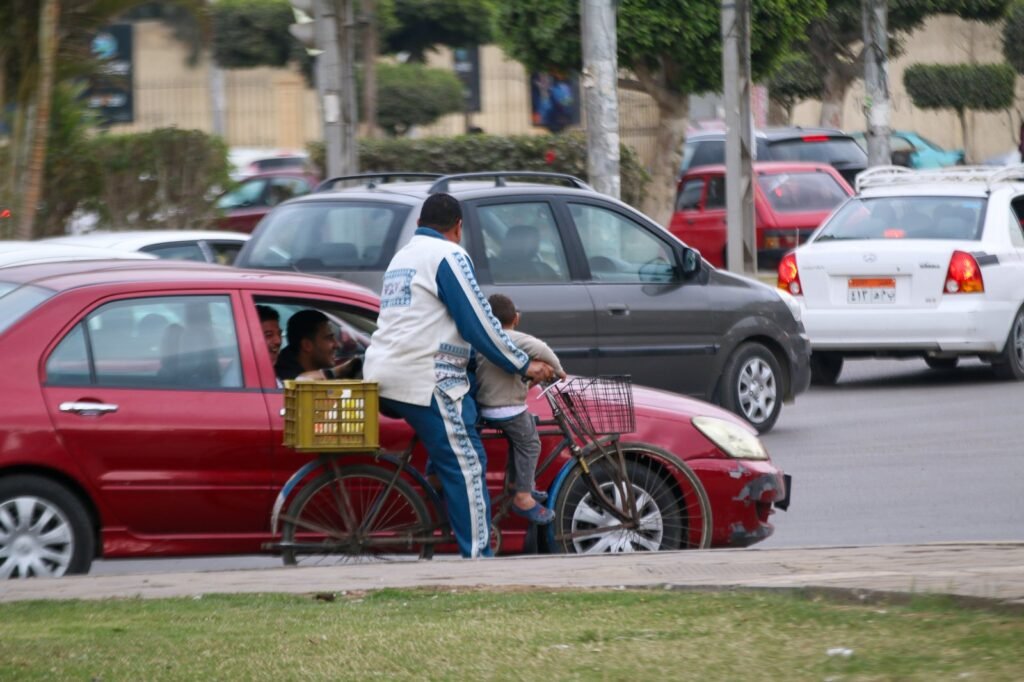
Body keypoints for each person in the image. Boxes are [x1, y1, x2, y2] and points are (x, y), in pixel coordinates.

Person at [363, 192, 556, 558]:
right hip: (426, 377)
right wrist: (522, 363)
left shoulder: (403, 257)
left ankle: (442, 512)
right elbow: (478, 322)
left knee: (458, 439)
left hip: (385, 374)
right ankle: (477, 559)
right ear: (458, 227)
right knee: (467, 466)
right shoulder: (448, 255)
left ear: (420, 223)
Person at [476, 294, 566, 525]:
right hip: (505, 408)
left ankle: (518, 483)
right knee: (530, 443)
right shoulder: (512, 337)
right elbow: (540, 347)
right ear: (516, 318)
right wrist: (559, 370)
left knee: (523, 434)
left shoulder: (483, 337)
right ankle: (523, 496)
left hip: (485, 406)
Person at [274, 309, 356, 382]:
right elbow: (301, 381)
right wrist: (338, 372)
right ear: (307, 345)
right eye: (329, 338)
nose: (337, 345)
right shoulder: (286, 379)